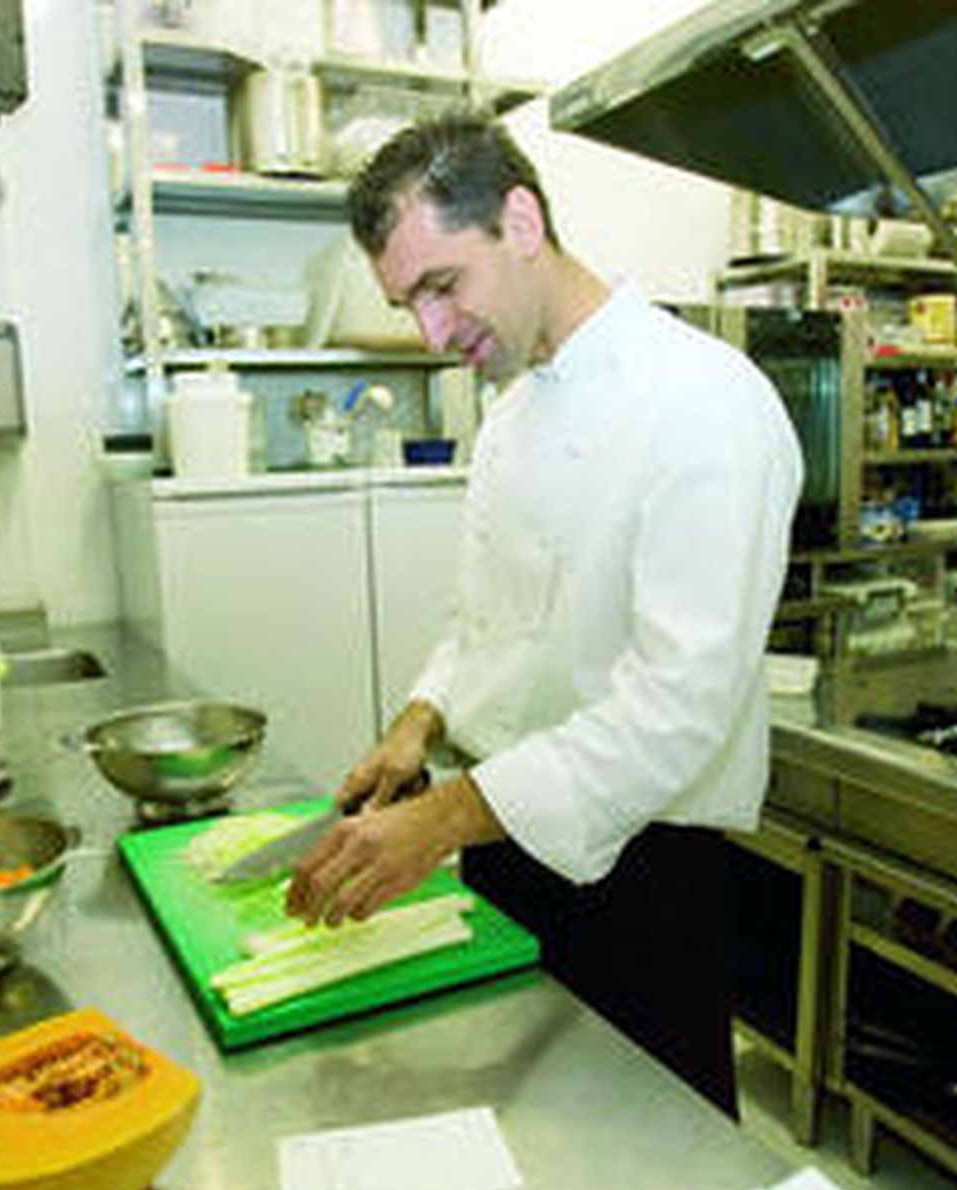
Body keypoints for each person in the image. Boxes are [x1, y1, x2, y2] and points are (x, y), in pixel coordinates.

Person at [283, 112, 803, 1116]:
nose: (432, 335)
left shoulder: (705, 405)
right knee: (525, 1157)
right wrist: (419, 721)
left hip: (638, 881)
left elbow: (676, 709)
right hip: (500, 843)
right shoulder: (514, 405)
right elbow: (488, 617)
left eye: (441, 286)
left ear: (521, 221)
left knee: (649, 1169)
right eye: (408, 304)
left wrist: (440, 817)